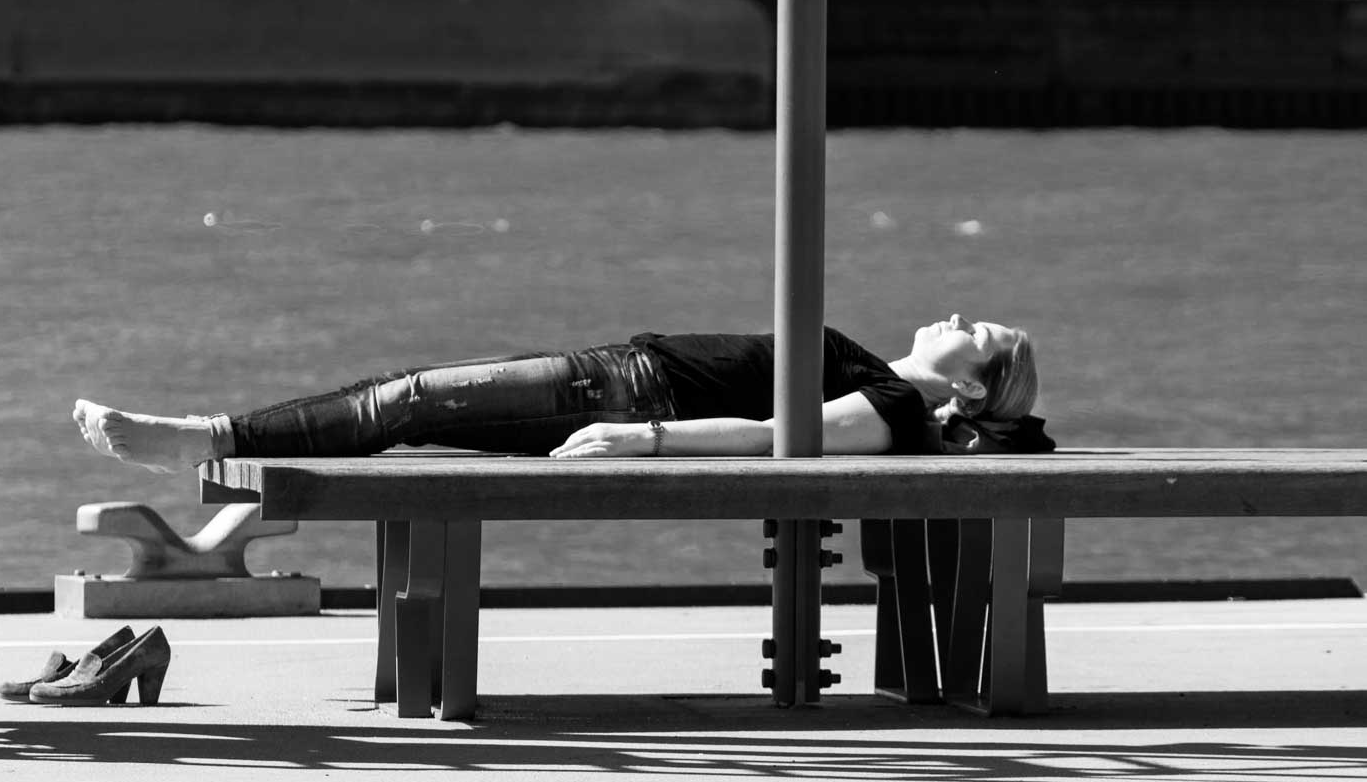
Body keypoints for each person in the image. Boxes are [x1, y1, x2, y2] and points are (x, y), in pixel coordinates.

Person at [72, 314, 1040, 474]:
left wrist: (644, 440)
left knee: (403, 401)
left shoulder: (901, 407)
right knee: (402, 394)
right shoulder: (890, 384)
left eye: (980, 329)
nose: (958, 313)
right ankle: (210, 436)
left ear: (975, 378)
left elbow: (771, 434)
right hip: (614, 371)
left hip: (623, 395)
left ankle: (201, 438)